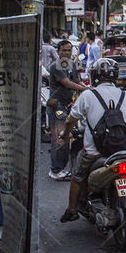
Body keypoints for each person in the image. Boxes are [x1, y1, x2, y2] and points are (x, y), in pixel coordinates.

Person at [60, 58, 126, 224]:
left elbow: (70, 120)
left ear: (94, 75)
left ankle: (72, 210)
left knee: (77, 177)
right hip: (124, 151)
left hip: (95, 153)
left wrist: (65, 134)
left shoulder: (88, 95)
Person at [47, 40, 86, 179]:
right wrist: (84, 89)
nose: (66, 53)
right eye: (63, 50)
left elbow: (76, 81)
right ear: (58, 51)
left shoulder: (71, 64)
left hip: (69, 105)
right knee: (60, 139)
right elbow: (67, 83)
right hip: (57, 106)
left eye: (69, 50)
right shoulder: (55, 66)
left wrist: (87, 88)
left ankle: (63, 168)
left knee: (68, 137)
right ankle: (56, 170)